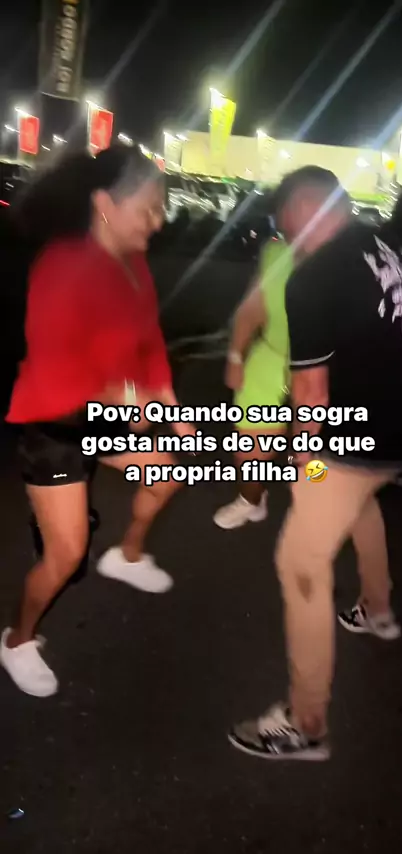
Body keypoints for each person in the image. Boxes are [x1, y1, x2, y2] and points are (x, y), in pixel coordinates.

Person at [229, 166, 402, 760]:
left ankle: (306, 722)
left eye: (281, 221)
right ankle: (379, 608)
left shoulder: (314, 277)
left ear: (303, 207)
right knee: (359, 505)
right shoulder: (396, 250)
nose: (282, 234)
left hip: (343, 448)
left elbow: (311, 395)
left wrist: (301, 456)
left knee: (300, 562)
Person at [1, 145, 194, 698]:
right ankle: (16, 640)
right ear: (105, 205)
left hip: (104, 419)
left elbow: (150, 341)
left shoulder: (134, 266)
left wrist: (171, 408)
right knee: (65, 555)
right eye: (149, 208)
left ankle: (127, 555)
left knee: (168, 475)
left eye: (161, 208)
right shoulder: (62, 265)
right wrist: (134, 397)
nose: (159, 221)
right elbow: (62, 371)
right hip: (55, 424)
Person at [213, 237, 294, 529]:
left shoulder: (352, 259)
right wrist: (236, 356)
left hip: (326, 368)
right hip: (272, 357)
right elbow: (251, 308)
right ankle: (250, 500)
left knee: (317, 460)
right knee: (249, 445)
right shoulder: (277, 253)